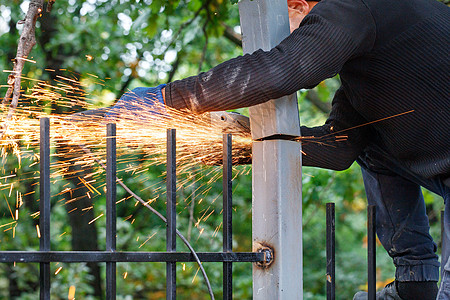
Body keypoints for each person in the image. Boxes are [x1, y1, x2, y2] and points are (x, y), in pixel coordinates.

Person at [109, 0, 450, 298]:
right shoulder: (370, 67)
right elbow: (338, 147)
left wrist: (168, 99)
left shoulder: (351, 6)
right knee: (370, 144)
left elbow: (281, 70)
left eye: (292, 35)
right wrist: (243, 146)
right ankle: (415, 281)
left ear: (298, 4)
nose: (293, 43)